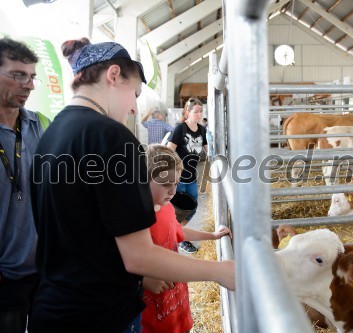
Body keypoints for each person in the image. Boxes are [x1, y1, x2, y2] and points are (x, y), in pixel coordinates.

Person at [30, 38, 234, 333]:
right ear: (113, 75)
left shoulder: (51, 133)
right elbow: (139, 255)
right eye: (135, 94)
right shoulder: (111, 137)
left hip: (53, 308)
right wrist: (220, 271)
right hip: (100, 314)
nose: (135, 109)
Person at [141, 144, 232, 333]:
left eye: (175, 183)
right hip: (151, 305)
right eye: (166, 184)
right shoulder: (135, 220)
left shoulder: (167, 209)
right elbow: (119, 259)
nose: (173, 191)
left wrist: (213, 236)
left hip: (176, 295)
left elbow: (179, 233)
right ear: (143, 180)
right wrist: (143, 279)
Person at [0, 37, 47, 333]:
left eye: (32, 77)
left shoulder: (35, 125)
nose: (28, 84)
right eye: (18, 75)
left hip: (40, 270)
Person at [167, 97, 206, 254]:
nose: (199, 114)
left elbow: (209, 150)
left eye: (201, 111)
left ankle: (177, 234)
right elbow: (169, 151)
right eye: (195, 111)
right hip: (178, 177)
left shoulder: (202, 130)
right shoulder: (180, 129)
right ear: (188, 112)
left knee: (193, 207)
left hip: (191, 176)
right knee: (175, 209)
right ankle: (175, 239)